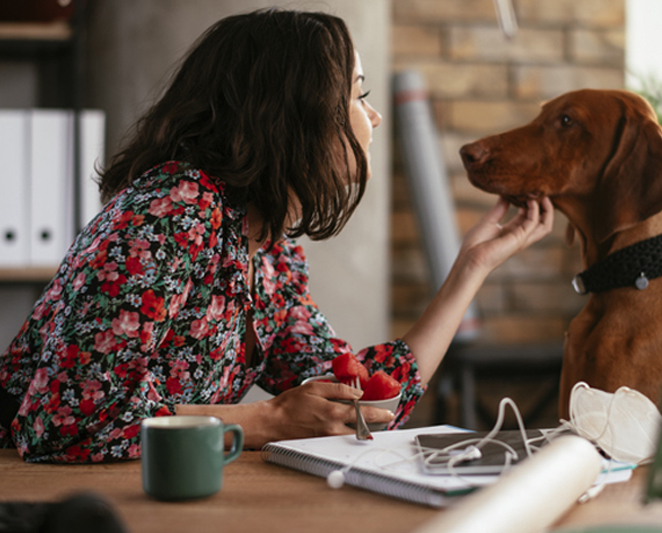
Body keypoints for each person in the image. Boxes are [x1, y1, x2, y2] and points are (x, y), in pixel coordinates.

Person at [0, 8, 554, 463]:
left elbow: (357, 401)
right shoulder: (175, 211)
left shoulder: (270, 248)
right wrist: (267, 419)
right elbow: (65, 425)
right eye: (357, 95)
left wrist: (471, 267)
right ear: (296, 112)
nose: (375, 116)